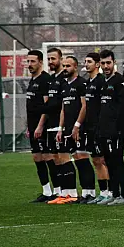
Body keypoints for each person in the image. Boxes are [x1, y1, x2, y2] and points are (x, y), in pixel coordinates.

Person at [49, 56, 87, 204]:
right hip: (66, 128)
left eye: (68, 66)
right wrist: (60, 128)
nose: (65, 68)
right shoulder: (64, 85)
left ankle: (80, 193)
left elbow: (84, 106)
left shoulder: (81, 84)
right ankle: (66, 193)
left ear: (75, 67)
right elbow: (63, 108)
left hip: (78, 128)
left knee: (80, 158)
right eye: (63, 66)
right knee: (63, 157)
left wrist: (77, 125)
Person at [95, 50, 124, 205]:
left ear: (114, 62)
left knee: (117, 161)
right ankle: (113, 193)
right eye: (103, 63)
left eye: (108, 63)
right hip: (104, 129)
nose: (106, 66)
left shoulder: (119, 81)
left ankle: (123, 195)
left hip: (116, 130)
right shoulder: (102, 81)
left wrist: (118, 129)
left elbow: (122, 108)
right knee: (108, 161)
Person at [26, 50, 55, 202]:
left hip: (42, 127)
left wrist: (40, 126)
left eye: (32, 61)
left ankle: (57, 190)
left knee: (48, 156)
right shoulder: (32, 81)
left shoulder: (45, 80)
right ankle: (46, 191)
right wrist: (29, 127)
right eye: (28, 61)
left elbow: (46, 106)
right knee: (37, 157)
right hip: (32, 127)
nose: (29, 65)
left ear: (40, 62)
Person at [83, 52, 109, 204]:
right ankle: (103, 192)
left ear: (97, 64)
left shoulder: (101, 82)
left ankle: (109, 192)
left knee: (103, 160)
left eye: (89, 61)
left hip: (100, 127)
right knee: (96, 160)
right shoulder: (88, 82)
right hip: (90, 127)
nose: (86, 64)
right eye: (85, 61)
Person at [44, 47, 65, 197]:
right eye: (49, 59)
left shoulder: (64, 78)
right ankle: (59, 192)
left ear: (60, 59)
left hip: (61, 124)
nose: (51, 61)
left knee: (64, 158)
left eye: (53, 58)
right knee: (54, 158)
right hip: (51, 124)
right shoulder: (50, 80)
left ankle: (68, 191)